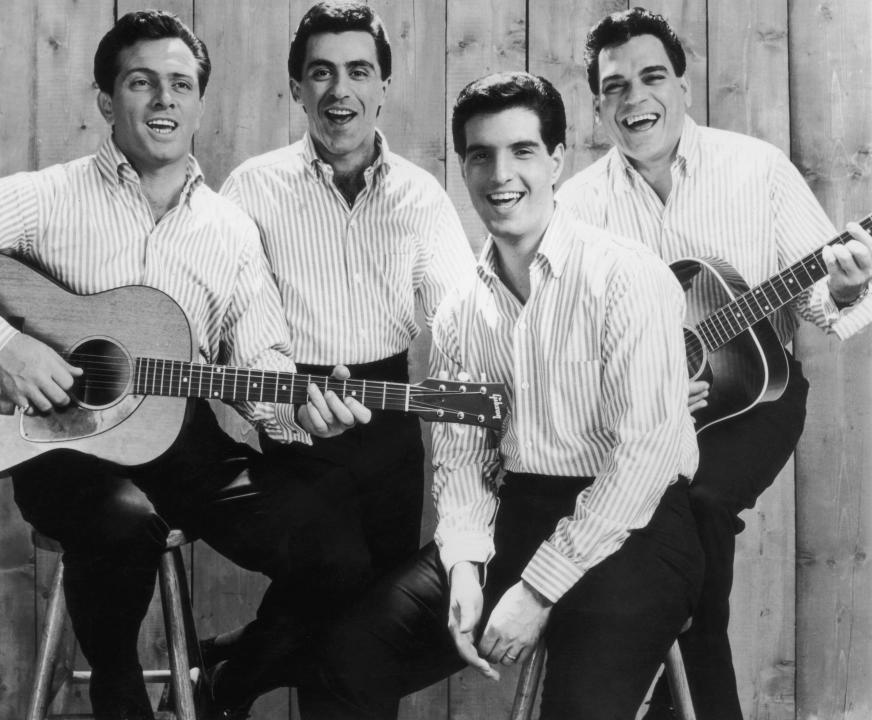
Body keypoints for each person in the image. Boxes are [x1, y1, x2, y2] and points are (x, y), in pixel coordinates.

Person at [0, 11, 368, 720]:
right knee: (125, 524)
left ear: (198, 101)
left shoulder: (229, 231)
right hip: (65, 449)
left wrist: (301, 409)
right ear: (105, 99)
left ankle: (230, 675)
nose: (164, 100)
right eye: (141, 82)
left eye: (180, 84)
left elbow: (259, 361)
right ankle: (119, 692)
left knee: (336, 548)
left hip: (184, 448)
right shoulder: (46, 198)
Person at [293, 71, 705, 720]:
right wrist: (462, 566)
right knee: (347, 653)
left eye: (521, 151)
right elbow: (461, 462)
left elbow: (646, 460)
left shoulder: (631, 279)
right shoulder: (461, 313)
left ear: (556, 160)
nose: (499, 173)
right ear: (463, 166)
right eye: (480, 155)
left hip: (637, 528)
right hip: (515, 518)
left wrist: (536, 590)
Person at [554, 8, 872, 719]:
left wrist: (848, 282)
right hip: (633, 425)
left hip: (756, 402)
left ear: (684, 85)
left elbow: (825, 300)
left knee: (687, 509)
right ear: (598, 104)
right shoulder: (576, 209)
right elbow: (566, 345)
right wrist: (641, 392)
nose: (635, 98)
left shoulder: (755, 169)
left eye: (652, 76)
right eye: (615, 86)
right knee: (671, 550)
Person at [207, 1, 475, 714]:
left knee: (367, 639)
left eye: (358, 71)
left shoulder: (421, 196)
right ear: (296, 88)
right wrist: (287, 403)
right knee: (341, 576)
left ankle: (234, 671)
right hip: (296, 416)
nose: (339, 91)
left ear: (384, 85)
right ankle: (235, 674)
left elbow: (459, 318)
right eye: (320, 73)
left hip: (393, 425)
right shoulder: (252, 189)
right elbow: (237, 334)